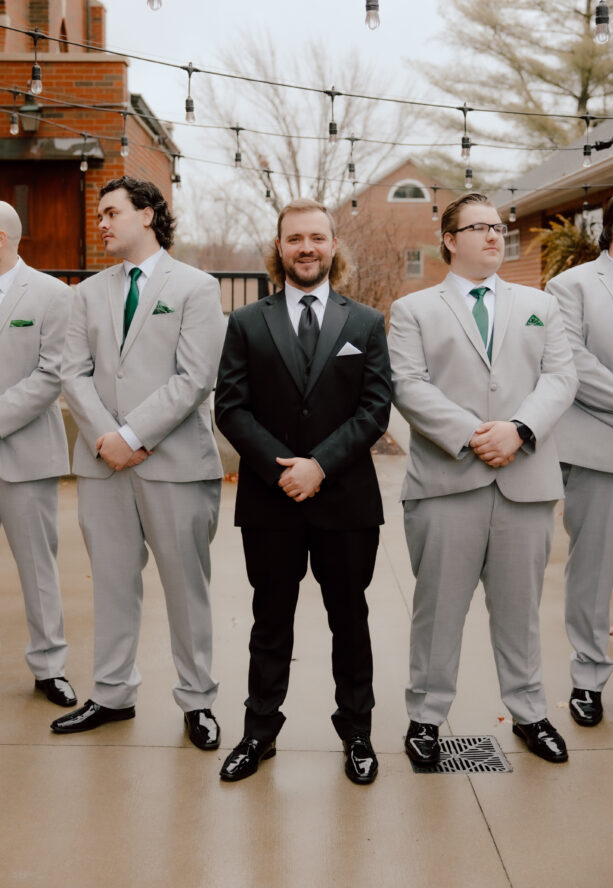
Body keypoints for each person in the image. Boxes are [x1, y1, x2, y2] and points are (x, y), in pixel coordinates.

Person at [389, 192, 578, 766]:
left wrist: (518, 429)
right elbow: (409, 384)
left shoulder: (540, 304)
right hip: (448, 480)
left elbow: (560, 376)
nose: (495, 237)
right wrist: (477, 434)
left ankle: (529, 712)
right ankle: (426, 717)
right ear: (449, 240)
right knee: (438, 608)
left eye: (499, 227)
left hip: (525, 480)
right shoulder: (413, 310)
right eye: (479, 228)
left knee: (520, 610)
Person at [214, 199, 392, 785]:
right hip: (271, 502)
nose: (307, 247)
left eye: (317, 236)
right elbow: (231, 408)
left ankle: (358, 733)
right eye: (296, 238)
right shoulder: (245, 322)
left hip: (345, 502)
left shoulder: (364, 323)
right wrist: (281, 467)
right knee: (271, 621)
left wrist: (319, 465)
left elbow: (374, 410)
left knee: (350, 619)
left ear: (333, 246)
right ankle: (258, 731)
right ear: (280, 246)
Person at [52, 176, 224, 750]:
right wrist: (108, 437)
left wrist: (134, 433)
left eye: (110, 212)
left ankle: (198, 700)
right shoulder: (86, 293)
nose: (100, 223)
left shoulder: (197, 288)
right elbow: (71, 372)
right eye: (99, 214)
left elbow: (196, 377)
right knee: (112, 585)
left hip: (174, 464)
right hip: (103, 465)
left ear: (148, 214)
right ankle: (111, 693)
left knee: (186, 588)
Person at [0, 200, 76, 708]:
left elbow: (52, 375)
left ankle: (50, 667)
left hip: (25, 454)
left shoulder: (52, 295)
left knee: (38, 567)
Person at [546, 187, 613, 727]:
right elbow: (570, 358)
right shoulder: (570, 285)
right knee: (592, 573)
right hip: (603, 448)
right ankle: (587, 678)